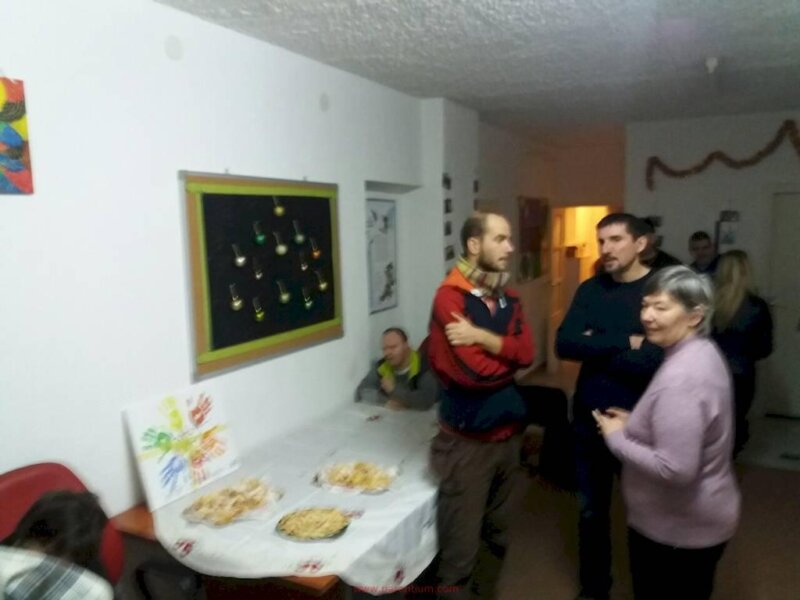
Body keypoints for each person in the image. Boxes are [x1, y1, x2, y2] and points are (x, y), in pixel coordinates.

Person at [594, 266, 740, 600]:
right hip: (695, 522)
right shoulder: (701, 350)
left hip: (679, 531)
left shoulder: (682, 379)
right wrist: (637, 422)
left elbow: (675, 469)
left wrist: (616, 436)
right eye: (645, 305)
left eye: (661, 307)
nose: (647, 316)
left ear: (694, 316)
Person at [555, 213, 663, 600]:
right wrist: (626, 340)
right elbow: (564, 344)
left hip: (639, 422)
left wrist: (596, 342)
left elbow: (654, 359)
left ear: (640, 244)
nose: (606, 249)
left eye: (616, 239)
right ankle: (594, 589)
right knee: (590, 512)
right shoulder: (590, 289)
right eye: (602, 241)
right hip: (590, 420)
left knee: (645, 515)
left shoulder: (659, 290)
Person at [427, 211, 535, 599]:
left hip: (508, 438)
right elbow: (474, 375)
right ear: (474, 245)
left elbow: (529, 352)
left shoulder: (509, 295)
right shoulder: (449, 297)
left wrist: (484, 338)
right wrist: (509, 358)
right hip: (467, 447)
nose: (511, 247)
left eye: (509, 238)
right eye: (500, 239)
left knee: (498, 538)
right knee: (459, 556)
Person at [712, 250, 773, 456]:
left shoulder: (709, 304)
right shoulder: (757, 306)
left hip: (711, 370)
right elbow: (765, 348)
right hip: (742, 372)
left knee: (712, 422)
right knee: (736, 422)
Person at [1, 490, 114, 600]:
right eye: (49, 555)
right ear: (25, 537)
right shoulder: (6, 562)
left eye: (68, 563)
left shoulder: (89, 573)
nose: (54, 567)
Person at [355, 327, 437, 410]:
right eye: (384, 349)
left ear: (406, 346)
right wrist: (386, 402)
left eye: (393, 347)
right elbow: (362, 391)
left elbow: (426, 401)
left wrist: (394, 390)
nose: (388, 353)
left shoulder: (425, 365)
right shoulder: (381, 366)